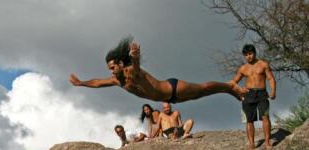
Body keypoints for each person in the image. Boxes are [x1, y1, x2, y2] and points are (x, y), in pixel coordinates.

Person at [70, 37, 247, 103]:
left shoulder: (131, 71)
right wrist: (81, 83)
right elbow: (98, 82)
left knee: (204, 88)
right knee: (203, 95)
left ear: (121, 64)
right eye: (109, 68)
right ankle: (228, 90)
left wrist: (135, 56)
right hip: (170, 100)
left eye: (113, 67)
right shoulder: (117, 80)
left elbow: (137, 67)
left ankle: (229, 85)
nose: (110, 71)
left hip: (174, 88)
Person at [232, 44, 276, 150]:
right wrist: (239, 94)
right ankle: (251, 144)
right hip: (248, 95)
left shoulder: (263, 64)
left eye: (250, 54)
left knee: (265, 117)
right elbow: (234, 83)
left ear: (254, 53)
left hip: (262, 93)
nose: (249, 56)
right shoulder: (243, 68)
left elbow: (270, 78)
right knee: (249, 120)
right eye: (246, 55)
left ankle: (267, 142)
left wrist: (273, 91)